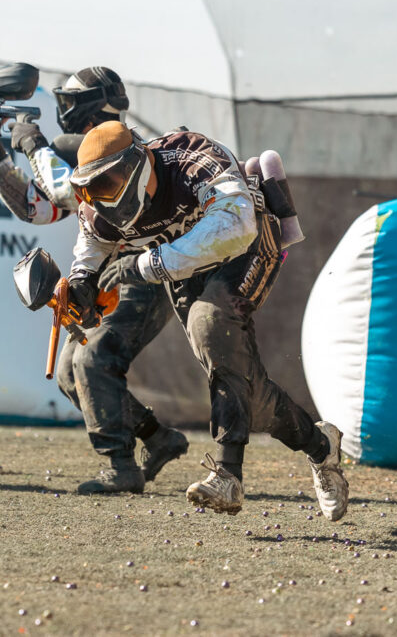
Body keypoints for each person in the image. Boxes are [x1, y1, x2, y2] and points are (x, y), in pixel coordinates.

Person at [66, 121, 349, 519]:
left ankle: (228, 475)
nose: (101, 197)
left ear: (137, 164)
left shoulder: (191, 159)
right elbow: (91, 239)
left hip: (248, 245)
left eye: (108, 183)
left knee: (210, 324)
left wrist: (144, 264)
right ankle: (322, 447)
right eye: (91, 189)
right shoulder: (100, 209)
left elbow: (236, 224)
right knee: (249, 393)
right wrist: (82, 277)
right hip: (184, 267)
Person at [0, 67, 188, 494]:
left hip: (143, 272)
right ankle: (158, 438)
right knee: (72, 373)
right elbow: (36, 208)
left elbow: (62, 191)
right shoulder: (79, 151)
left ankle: (121, 467)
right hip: (105, 279)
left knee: (92, 361)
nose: (64, 110)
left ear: (92, 104)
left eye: (70, 102)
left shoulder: (126, 149)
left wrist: (32, 144)